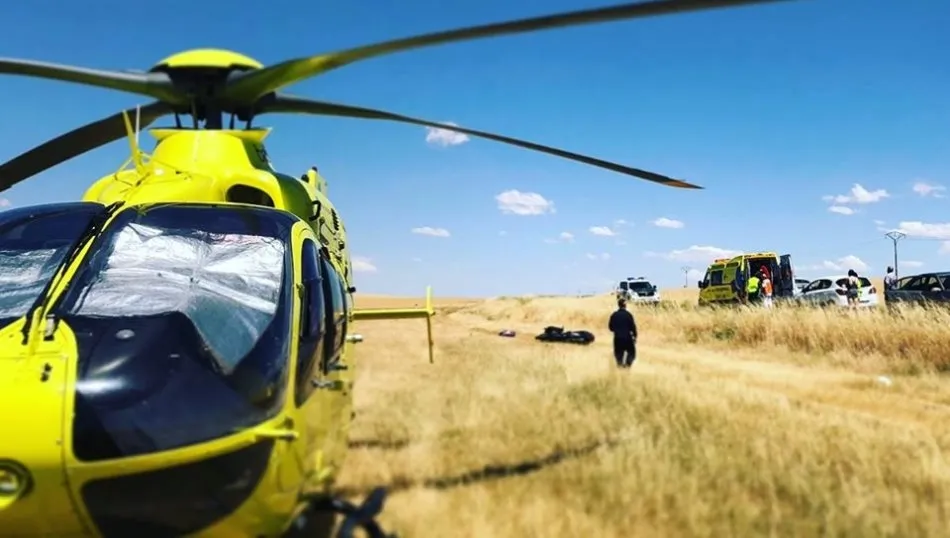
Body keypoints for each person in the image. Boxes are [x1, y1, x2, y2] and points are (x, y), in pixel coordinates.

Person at [608, 297, 638, 368]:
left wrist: (617, 330)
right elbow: (633, 327)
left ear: (619, 305)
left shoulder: (614, 315)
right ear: (625, 305)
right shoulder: (628, 315)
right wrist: (635, 336)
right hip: (627, 337)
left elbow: (610, 328)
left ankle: (620, 367)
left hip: (617, 338)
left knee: (618, 355)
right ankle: (627, 365)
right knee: (632, 353)